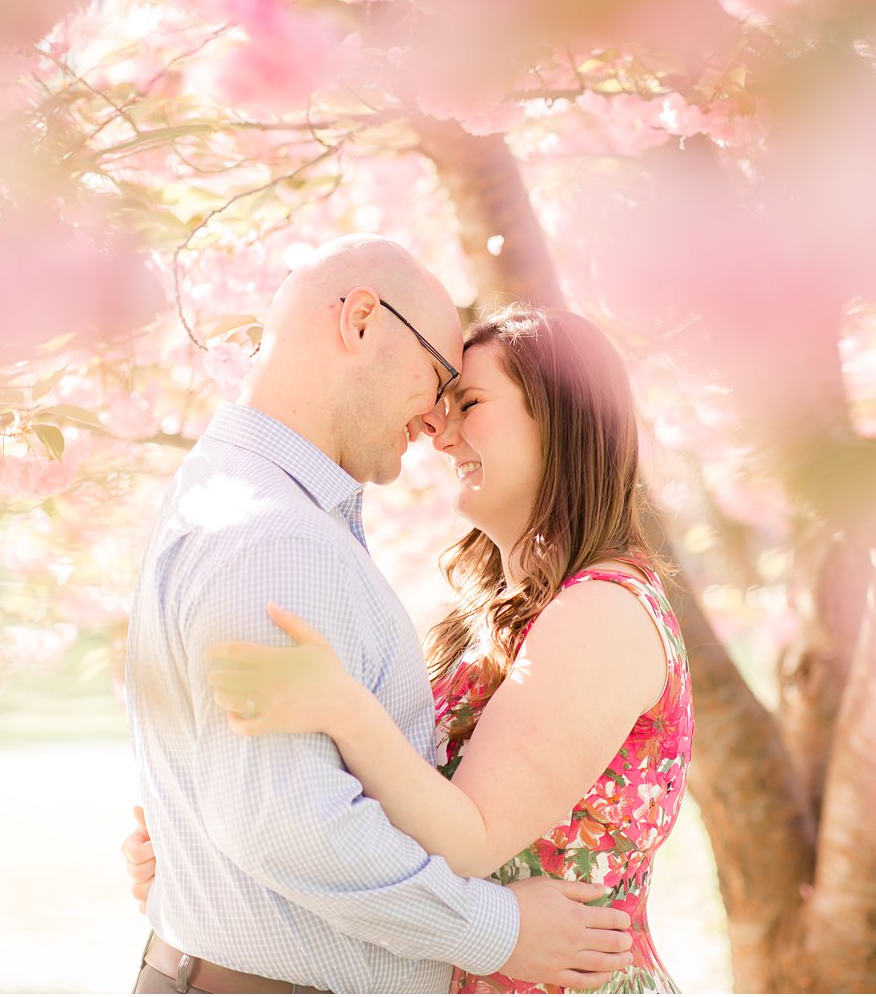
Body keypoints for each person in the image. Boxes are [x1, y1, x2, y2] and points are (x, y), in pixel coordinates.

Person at [128, 303, 694, 994]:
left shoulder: (601, 612)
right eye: (441, 405)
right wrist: (200, 849)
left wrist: (343, 704)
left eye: (471, 403)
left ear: (565, 414)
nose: (440, 432)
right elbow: (385, 799)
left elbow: (471, 835)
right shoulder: (493, 619)